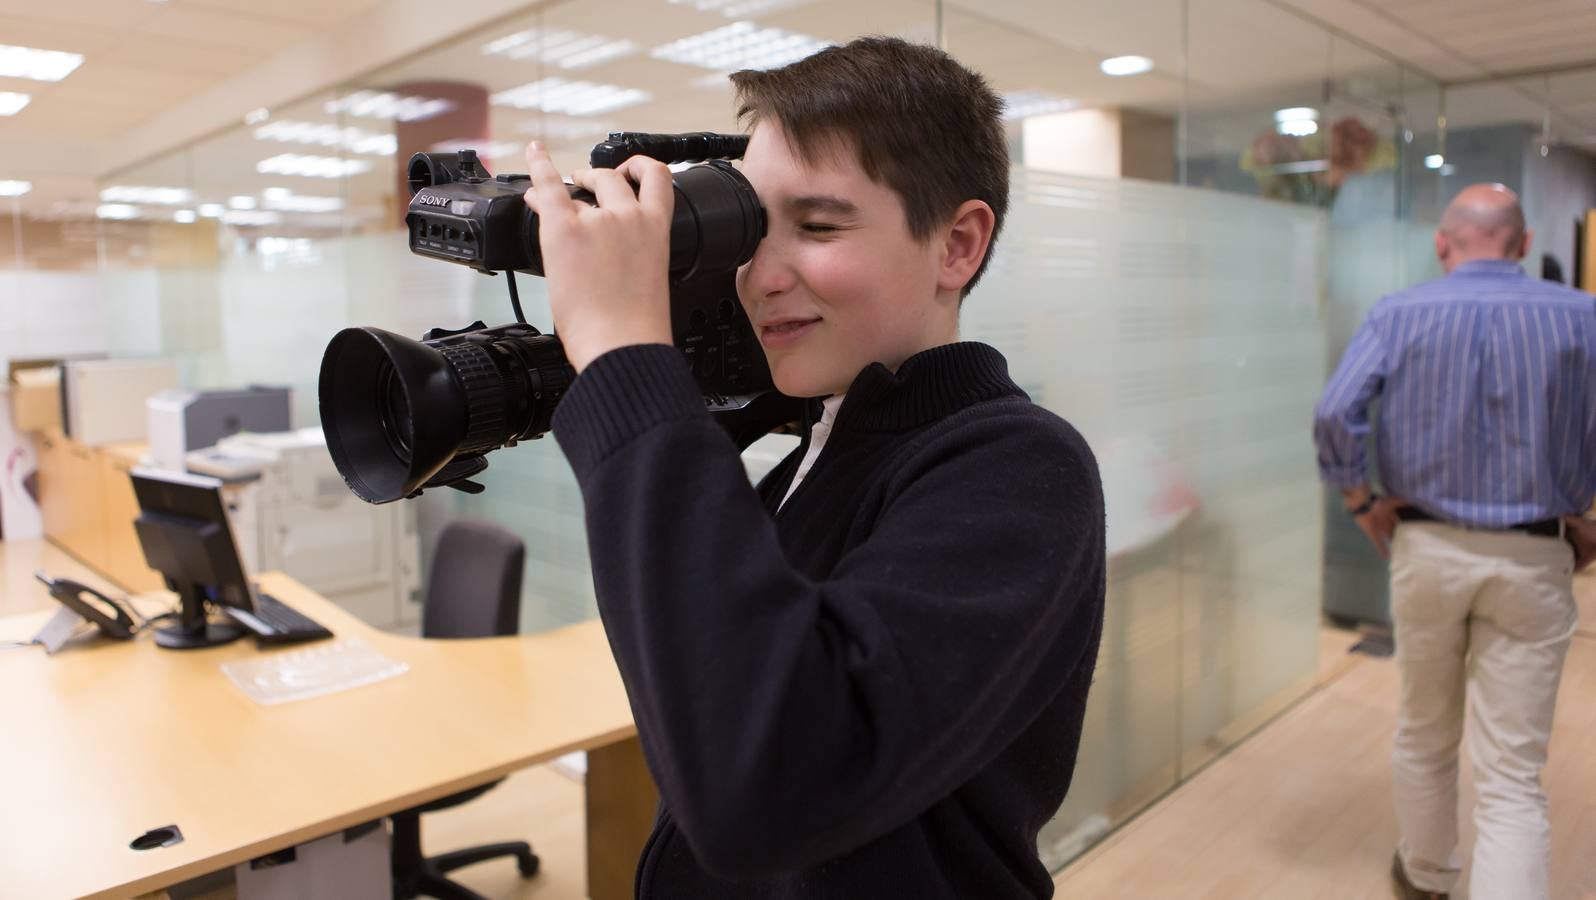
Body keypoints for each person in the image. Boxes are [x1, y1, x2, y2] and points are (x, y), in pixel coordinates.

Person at [521, 37, 1106, 899]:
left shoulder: (1020, 467)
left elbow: (757, 785)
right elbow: (704, 688)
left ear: (957, 246)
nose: (760, 276)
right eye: (755, 229)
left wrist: (623, 355)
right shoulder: (815, 448)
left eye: (820, 226)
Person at [1314, 183, 1596, 900]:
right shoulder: (1583, 316)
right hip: (1536, 554)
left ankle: (1428, 874)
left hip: (1426, 550)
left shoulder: (1399, 312)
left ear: (1444, 244)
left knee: (1424, 732)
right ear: (1524, 244)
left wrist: (1360, 501)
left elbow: (1335, 411)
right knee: (1512, 773)